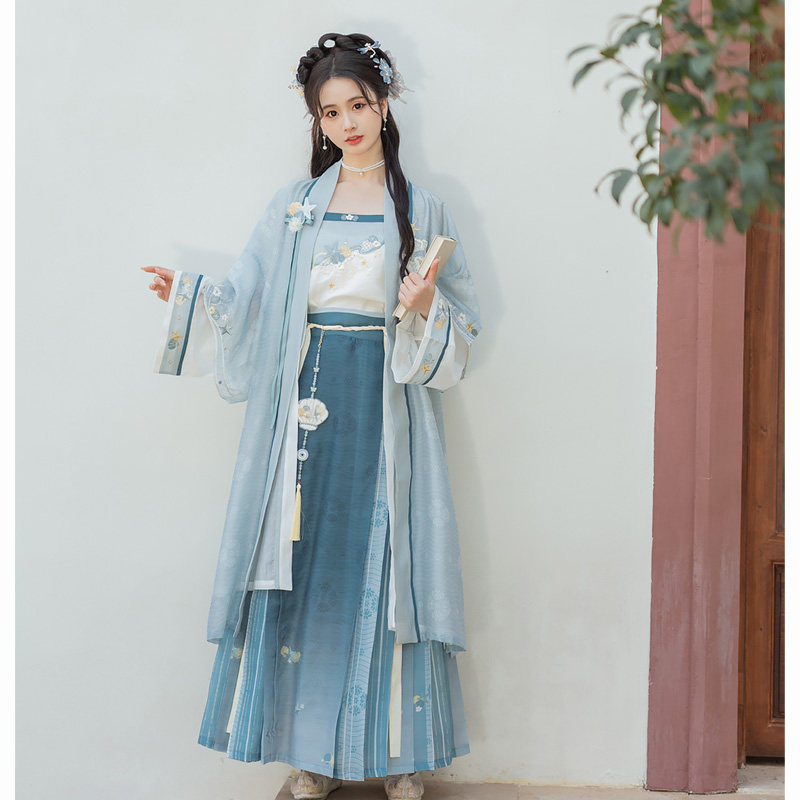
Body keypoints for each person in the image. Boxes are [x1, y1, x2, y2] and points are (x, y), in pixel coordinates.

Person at [142, 32, 481, 800]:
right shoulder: (294, 207)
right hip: (305, 410)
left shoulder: (423, 208)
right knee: (304, 565)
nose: (347, 123)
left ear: (384, 104)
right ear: (318, 122)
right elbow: (249, 295)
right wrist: (191, 295)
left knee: (387, 565)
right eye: (331, 112)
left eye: (358, 105)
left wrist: (426, 305)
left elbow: (464, 323)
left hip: (388, 407)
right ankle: (311, 756)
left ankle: (395, 755)